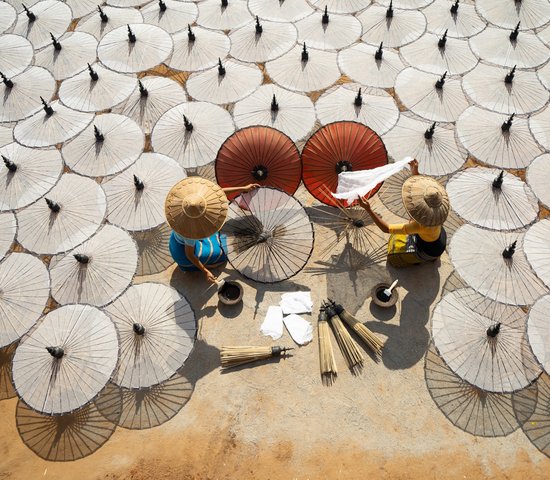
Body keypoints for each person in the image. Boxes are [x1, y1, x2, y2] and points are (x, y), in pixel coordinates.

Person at [357, 160, 450, 267]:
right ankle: (434, 258)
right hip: (439, 236)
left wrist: (368, 209)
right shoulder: (438, 213)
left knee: (397, 259)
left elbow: (387, 229)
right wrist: (415, 171)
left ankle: (428, 258)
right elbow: (422, 188)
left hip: (429, 249)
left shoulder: (418, 225)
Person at [165, 177, 259, 283]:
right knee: (222, 254)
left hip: (177, 239)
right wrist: (205, 271)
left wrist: (243, 188)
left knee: (216, 233)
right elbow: (189, 255)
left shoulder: (187, 201)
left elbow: (218, 193)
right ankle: (203, 264)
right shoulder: (189, 233)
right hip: (182, 253)